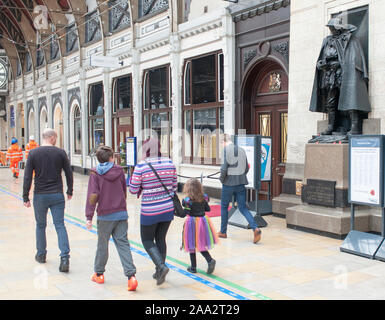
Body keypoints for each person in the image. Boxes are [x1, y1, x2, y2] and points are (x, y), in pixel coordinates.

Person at [85, 146, 138, 291]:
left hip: (104, 215)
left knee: (102, 244)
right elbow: (123, 190)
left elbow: (93, 195)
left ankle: (99, 274)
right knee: (123, 243)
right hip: (120, 213)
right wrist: (122, 205)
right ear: (111, 158)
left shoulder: (95, 173)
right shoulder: (120, 171)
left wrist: (89, 216)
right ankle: (131, 277)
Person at [23, 129, 73, 272]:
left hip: (40, 195)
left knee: (40, 225)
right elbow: (69, 173)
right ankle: (64, 258)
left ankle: (41, 254)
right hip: (57, 194)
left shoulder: (33, 153)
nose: (56, 139)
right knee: (60, 225)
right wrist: (70, 190)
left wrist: (25, 196)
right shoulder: (60, 153)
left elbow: (27, 176)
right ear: (51, 138)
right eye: (56, 137)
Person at [309, 17, 370, 135]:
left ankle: (355, 126)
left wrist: (344, 65)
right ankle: (331, 126)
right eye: (330, 28)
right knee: (331, 101)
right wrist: (320, 64)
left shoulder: (350, 39)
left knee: (350, 97)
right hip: (329, 75)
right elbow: (321, 58)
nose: (331, 30)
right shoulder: (327, 41)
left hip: (344, 74)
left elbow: (355, 58)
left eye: (332, 28)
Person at [128, 137, 177, 286]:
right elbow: (174, 187)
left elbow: (133, 189)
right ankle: (159, 271)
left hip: (150, 210)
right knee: (161, 239)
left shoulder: (141, 166)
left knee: (147, 240)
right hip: (168, 208)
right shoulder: (169, 162)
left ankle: (161, 267)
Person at [218, 134, 262, 243]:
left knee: (224, 207)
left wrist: (222, 179)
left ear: (224, 142)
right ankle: (255, 228)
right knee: (243, 208)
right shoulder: (241, 150)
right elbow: (246, 168)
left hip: (228, 184)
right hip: (241, 184)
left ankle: (223, 232)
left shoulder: (225, 151)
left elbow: (223, 169)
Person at [181, 178, 218, 274]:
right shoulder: (204, 197)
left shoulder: (187, 200)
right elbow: (208, 209)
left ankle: (193, 267)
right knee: (200, 243)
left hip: (192, 222)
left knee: (191, 244)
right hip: (203, 222)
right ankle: (210, 260)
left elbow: (185, 213)